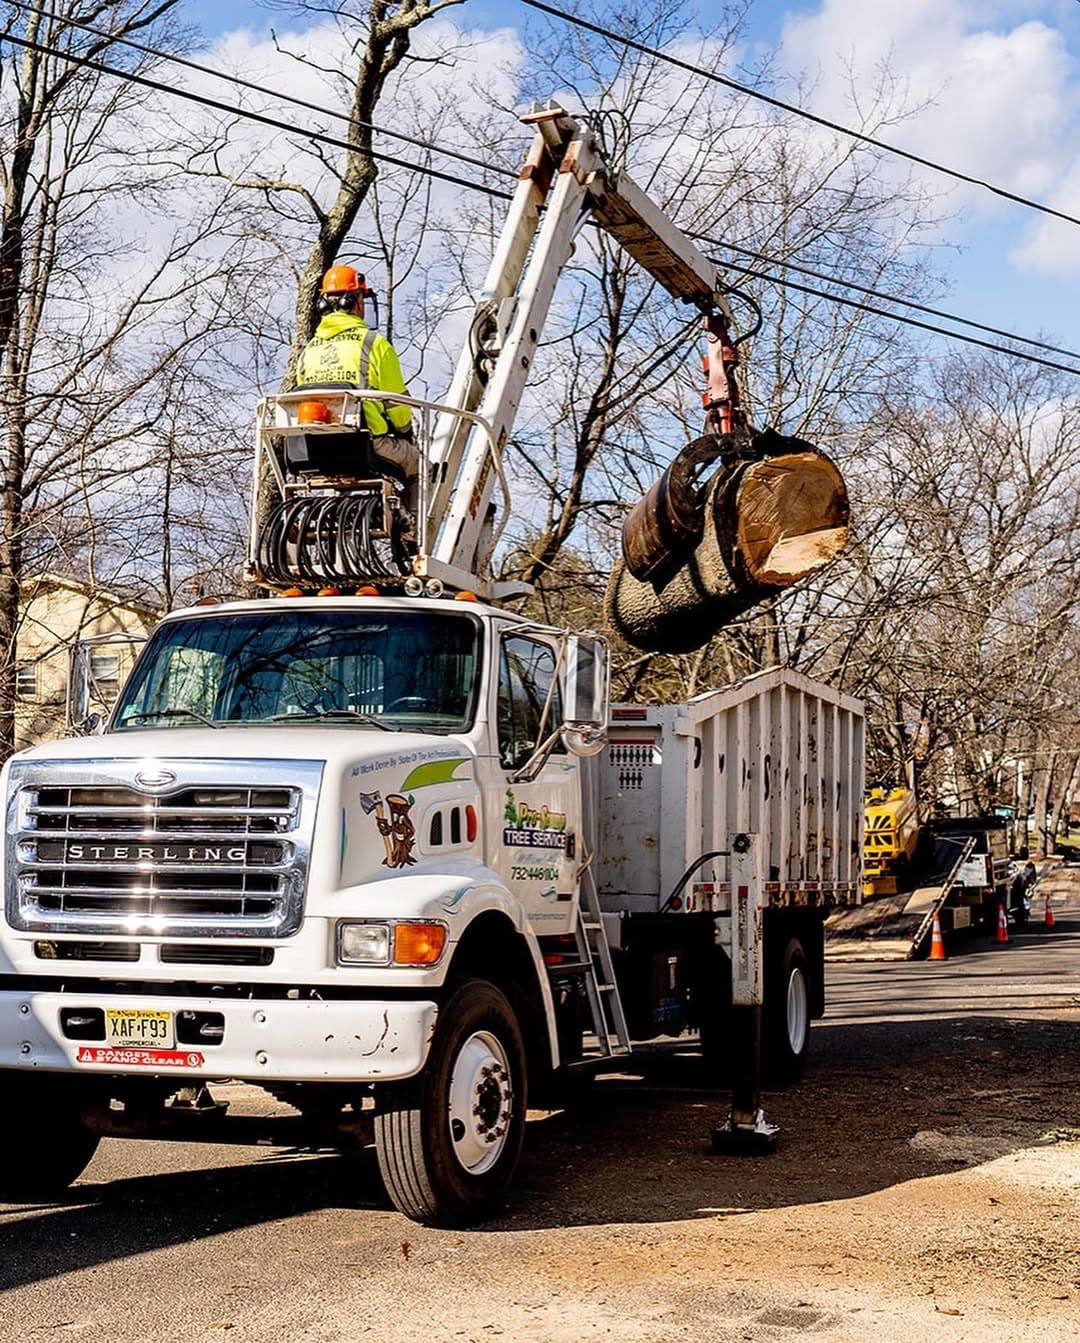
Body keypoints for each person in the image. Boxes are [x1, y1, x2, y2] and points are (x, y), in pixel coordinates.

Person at [296, 264, 419, 513]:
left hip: (315, 450)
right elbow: (397, 405)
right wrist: (405, 434)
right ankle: (414, 532)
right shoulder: (374, 344)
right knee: (419, 463)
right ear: (355, 301)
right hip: (365, 445)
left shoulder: (309, 350)